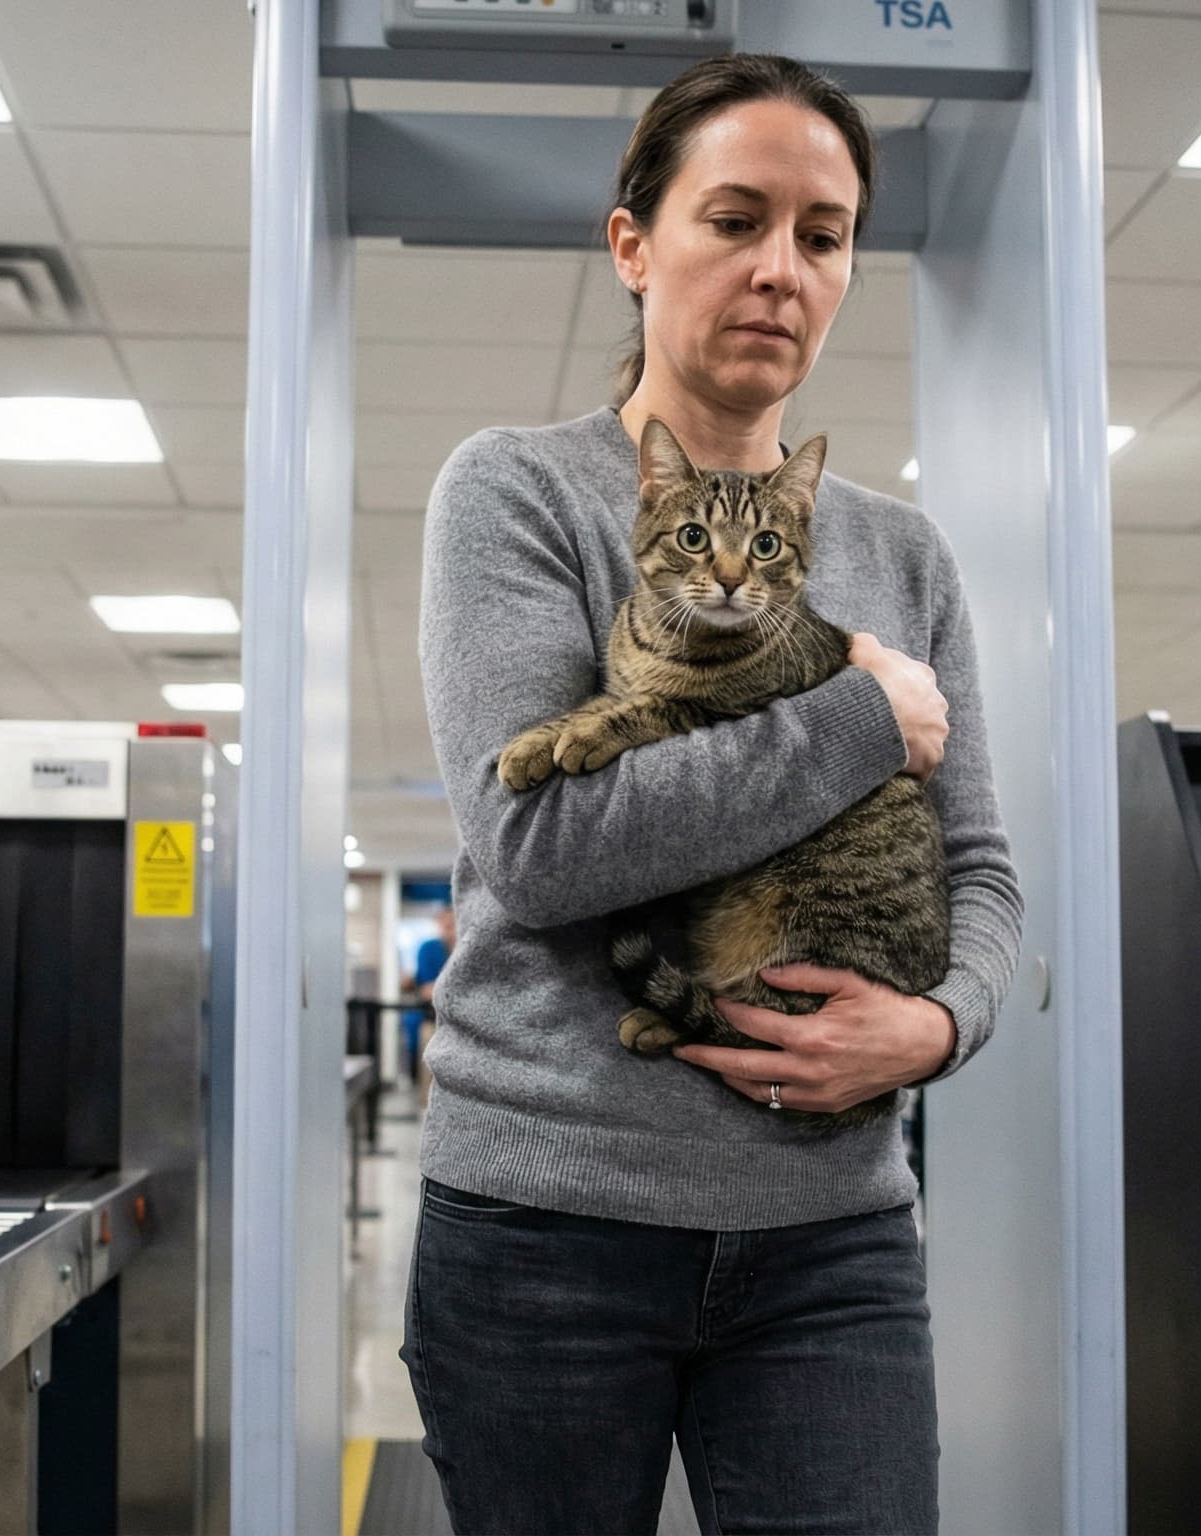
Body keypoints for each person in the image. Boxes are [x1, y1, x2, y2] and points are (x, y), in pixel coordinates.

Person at [406, 53, 1025, 1536]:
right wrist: (858, 721)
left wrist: (941, 1024)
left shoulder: (906, 557)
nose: (779, 270)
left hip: (834, 1235)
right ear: (633, 244)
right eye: (733, 219)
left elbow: (984, 874)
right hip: (542, 1224)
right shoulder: (517, 494)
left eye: (822, 236)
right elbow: (541, 847)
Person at [405, 906, 454, 1088]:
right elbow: (427, 990)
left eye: (454, 924)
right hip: (432, 1021)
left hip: (460, 1027)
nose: (452, 930)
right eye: (447, 925)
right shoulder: (429, 948)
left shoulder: (467, 949)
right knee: (429, 1077)